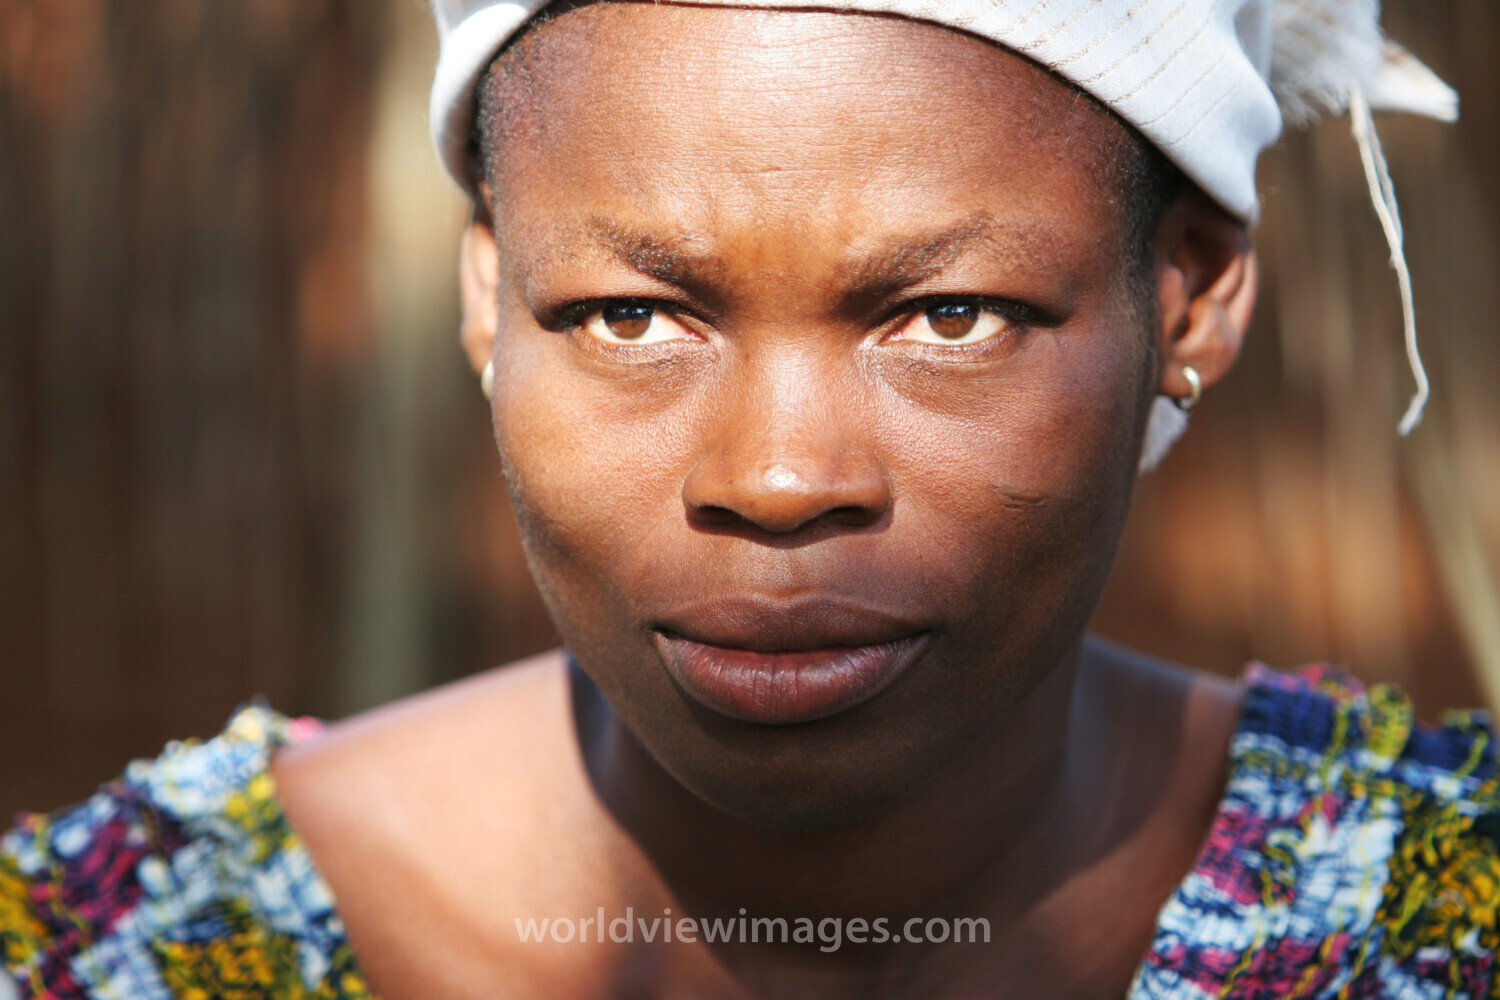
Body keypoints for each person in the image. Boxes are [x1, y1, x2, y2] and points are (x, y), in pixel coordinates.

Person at [3, 1, 1496, 998]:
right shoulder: (125, 949)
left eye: (953, 316)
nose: (778, 481)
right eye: (632, 317)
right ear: (486, 297)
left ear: (1191, 299)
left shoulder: (1444, 914)